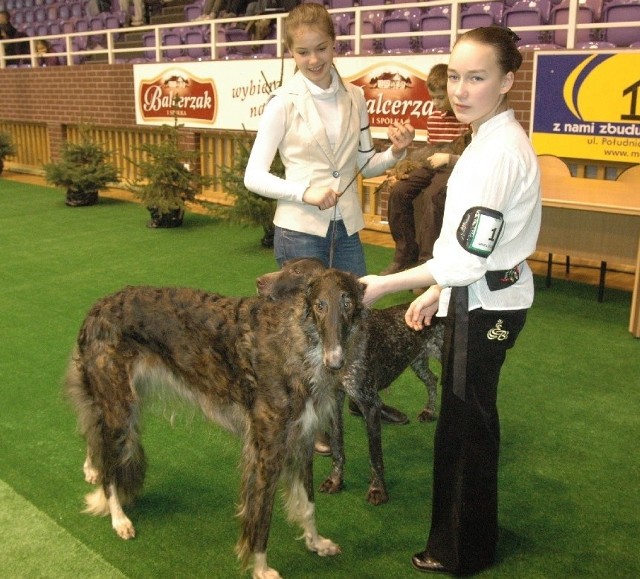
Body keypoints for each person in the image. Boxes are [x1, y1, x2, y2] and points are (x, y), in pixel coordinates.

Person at [361, 25, 541, 575]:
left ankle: (460, 549)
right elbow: (471, 249)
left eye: (477, 78)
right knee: (471, 421)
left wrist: (385, 285)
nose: (462, 90)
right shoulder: (484, 140)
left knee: (466, 426)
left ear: (507, 81)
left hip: (488, 306)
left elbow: (467, 258)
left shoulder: (495, 156)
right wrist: (438, 290)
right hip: (478, 293)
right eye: (456, 76)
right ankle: (474, 528)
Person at [244, 2, 415, 446]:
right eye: (303, 52)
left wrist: (394, 152)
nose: (314, 59)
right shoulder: (282, 103)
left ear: (335, 45)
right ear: (291, 53)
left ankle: (360, 397)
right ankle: (308, 421)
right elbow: (254, 176)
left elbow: (365, 164)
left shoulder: (355, 97)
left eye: (321, 48)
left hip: (347, 229)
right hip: (299, 229)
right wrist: (304, 191)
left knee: (355, 322)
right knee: (303, 334)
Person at [381, 64, 469, 276]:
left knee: (433, 197)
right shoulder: (435, 117)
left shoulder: (466, 118)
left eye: (440, 98)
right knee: (399, 192)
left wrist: (449, 158)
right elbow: (429, 151)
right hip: (431, 164)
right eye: (432, 98)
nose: (436, 103)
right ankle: (404, 256)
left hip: (454, 167)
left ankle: (426, 265)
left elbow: (473, 156)